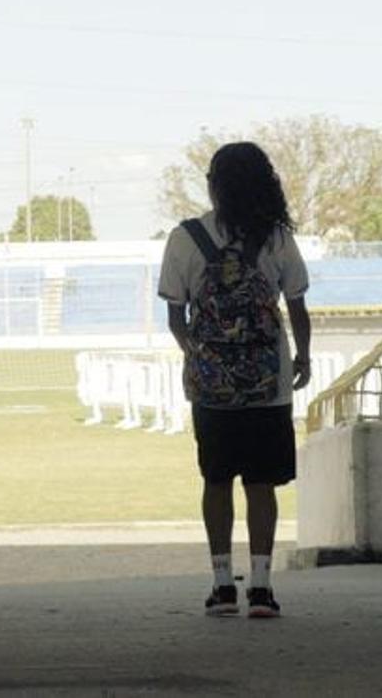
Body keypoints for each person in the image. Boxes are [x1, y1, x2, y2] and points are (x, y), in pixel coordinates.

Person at [157, 143, 311, 619]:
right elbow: (297, 307)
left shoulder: (185, 239)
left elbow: (175, 315)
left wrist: (200, 357)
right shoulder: (277, 238)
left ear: (213, 185)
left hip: (212, 387)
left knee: (217, 479)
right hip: (269, 383)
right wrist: (302, 355)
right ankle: (261, 587)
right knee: (262, 483)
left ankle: (223, 584)